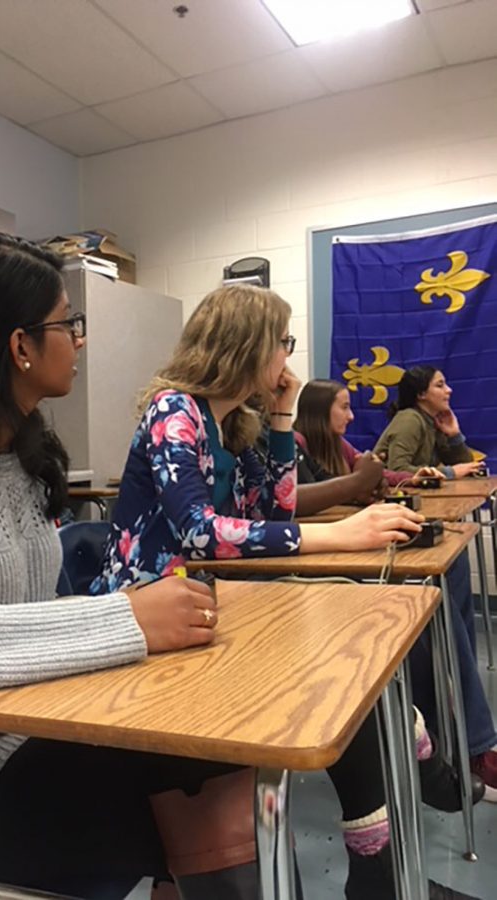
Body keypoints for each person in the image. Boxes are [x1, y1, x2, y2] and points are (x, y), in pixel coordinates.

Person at [0, 232, 271, 900]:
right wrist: (120, 620)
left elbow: (20, 626)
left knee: (209, 750)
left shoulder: (20, 461)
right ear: (20, 346)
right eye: (69, 325)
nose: (80, 341)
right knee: (174, 796)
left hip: (0, 745)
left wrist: (124, 618)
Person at [93, 284, 481, 900]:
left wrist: (279, 418)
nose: (287, 360)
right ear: (246, 347)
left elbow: (267, 506)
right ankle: (404, 793)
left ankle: (382, 851)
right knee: (336, 669)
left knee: (351, 658)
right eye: (282, 345)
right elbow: (200, 534)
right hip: (154, 613)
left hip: (211, 601)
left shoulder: (229, 422)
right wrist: (340, 535)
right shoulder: (175, 411)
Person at [295, 379, 497, 801]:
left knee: (447, 575)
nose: (352, 416)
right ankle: (470, 743)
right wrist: (363, 485)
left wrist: (453, 438)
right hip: (322, 558)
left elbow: (384, 473)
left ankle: (451, 723)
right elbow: (293, 501)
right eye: (344, 407)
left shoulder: (348, 442)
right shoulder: (404, 422)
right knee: (427, 606)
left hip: (339, 546)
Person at [374, 366, 483, 479]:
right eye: (440, 385)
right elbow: (397, 470)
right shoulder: (409, 419)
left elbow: (466, 467)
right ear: (421, 394)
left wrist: (454, 435)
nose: (449, 390)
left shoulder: (433, 421)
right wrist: (449, 473)